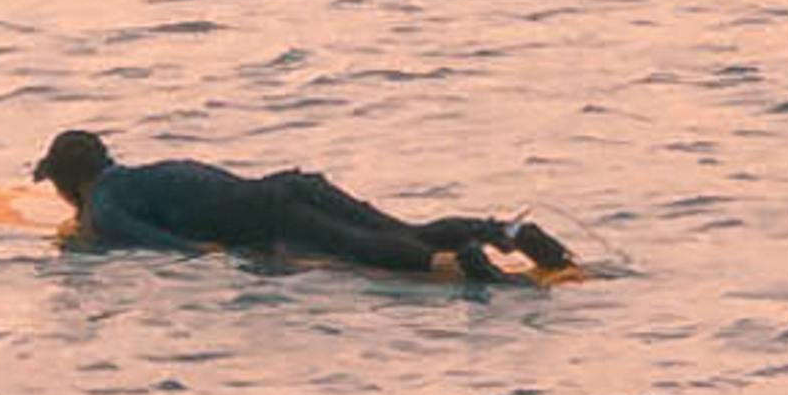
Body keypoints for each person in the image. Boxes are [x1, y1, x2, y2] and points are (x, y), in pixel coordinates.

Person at [42, 132, 572, 288]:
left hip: (271, 215)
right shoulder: (145, 173)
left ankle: (463, 266)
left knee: (368, 251)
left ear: (70, 181)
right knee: (403, 229)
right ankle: (504, 230)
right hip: (289, 185)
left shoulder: (104, 206)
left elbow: (175, 249)